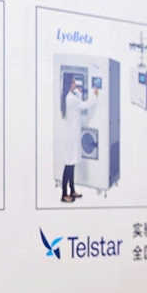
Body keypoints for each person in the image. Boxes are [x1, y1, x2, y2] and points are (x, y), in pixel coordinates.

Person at [58, 74, 83, 202]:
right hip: (71, 137)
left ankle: (72, 190)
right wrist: (95, 95)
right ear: (69, 84)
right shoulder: (71, 99)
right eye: (73, 82)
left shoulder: (69, 96)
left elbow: (79, 102)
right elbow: (84, 105)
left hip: (72, 135)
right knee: (68, 165)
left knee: (72, 164)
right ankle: (64, 194)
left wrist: (77, 92)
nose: (75, 84)